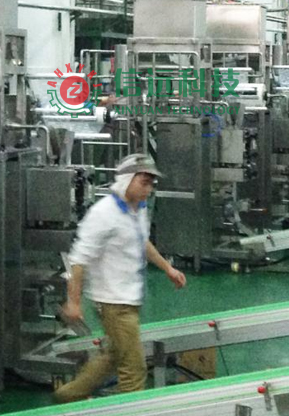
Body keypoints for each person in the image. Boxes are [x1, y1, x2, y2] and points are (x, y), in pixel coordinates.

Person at [54, 154, 186, 403]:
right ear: (126, 180)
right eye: (143, 183)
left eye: (151, 184)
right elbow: (78, 260)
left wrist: (167, 268)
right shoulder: (104, 213)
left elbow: (142, 241)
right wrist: (74, 302)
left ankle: (66, 396)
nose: (148, 189)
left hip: (129, 299)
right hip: (113, 304)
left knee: (112, 357)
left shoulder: (137, 208)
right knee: (133, 370)